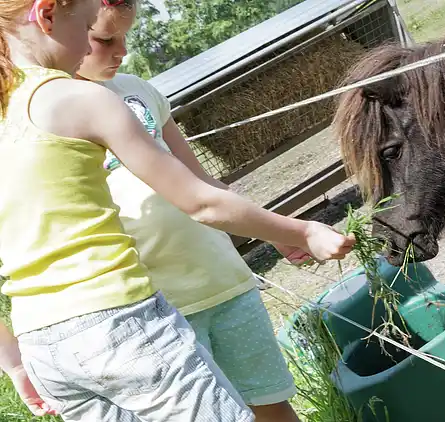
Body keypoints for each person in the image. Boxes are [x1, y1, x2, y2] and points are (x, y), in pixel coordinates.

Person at [0, 0, 355, 421]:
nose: (92, 46)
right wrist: (304, 231)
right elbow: (202, 201)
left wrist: (17, 362)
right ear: (47, 15)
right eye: (89, 27)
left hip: (45, 344)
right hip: (116, 321)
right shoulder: (79, 98)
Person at [76, 1, 308, 420]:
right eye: (105, 39)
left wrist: (275, 229)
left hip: (225, 280)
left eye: (125, 38)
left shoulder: (138, 91)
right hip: (159, 309)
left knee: (272, 402)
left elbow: (201, 182)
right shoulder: (58, 118)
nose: (121, 51)